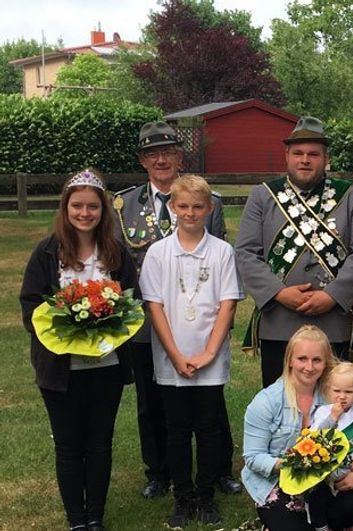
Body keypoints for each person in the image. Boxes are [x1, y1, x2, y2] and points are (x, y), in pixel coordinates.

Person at [112, 121, 239, 498]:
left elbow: (217, 257)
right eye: (152, 153)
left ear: (179, 156)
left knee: (210, 402)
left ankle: (216, 470)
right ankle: (159, 471)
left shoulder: (205, 200)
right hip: (147, 318)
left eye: (168, 151)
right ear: (143, 160)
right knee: (152, 402)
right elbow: (119, 264)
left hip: (201, 321)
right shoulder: (123, 204)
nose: (161, 159)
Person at [20, 169, 139, 531]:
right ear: (65, 207)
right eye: (77, 206)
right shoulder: (47, 252)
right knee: (69, 445)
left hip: (106, 366)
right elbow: (30, 307)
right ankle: (76, 520)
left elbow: (133, 303)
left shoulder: (116, 254)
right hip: (60, 371)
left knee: (100, 443)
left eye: (92, 206)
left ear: (103, 210)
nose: (85, 213)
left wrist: (108, 328)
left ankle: (95, 517)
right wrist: (66, 331)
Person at [236, 116, 353, 387]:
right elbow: (245, 253)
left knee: (333, 403)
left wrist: (332, 296)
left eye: (313, 154)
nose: (304, 160)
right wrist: (279, 293)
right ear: (286, 156)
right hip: (279, 320)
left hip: (333, 319)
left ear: (325, 158)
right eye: (298, 153)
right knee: (280, 404)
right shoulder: (263, 196)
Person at [138, 175, 244, 527]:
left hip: (209, 359)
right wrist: (176, 355)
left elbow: (227, 305)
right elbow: (154, 308)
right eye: (182, 206)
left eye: (198, 206)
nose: (190, 212)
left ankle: (206, 494)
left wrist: (209, 354)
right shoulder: (158, 253)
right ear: (172, 207)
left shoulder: (221, 252)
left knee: (210, 428)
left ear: (209, 208)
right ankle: (182, 497)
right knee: (177, 429)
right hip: (172, 357)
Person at [242, 325, 353, 531]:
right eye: (302, 359)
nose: (309, 367)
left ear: (325, 363)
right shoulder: (266, 402)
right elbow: (252, 457)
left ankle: (331, 520)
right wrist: (295, 462)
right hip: (277, 481)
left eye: (317, 360)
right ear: (289, 360)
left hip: (325, 482)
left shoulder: (334, 395)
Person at [304, 362, 353, 531]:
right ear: (328, 389)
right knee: (316, 499)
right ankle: (322, 527)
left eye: (348, 392)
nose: (342, 396)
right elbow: (315, 437)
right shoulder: (322, 411)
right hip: (326, 475)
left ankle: (350, 522)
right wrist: (333, 417)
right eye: (337, 391)